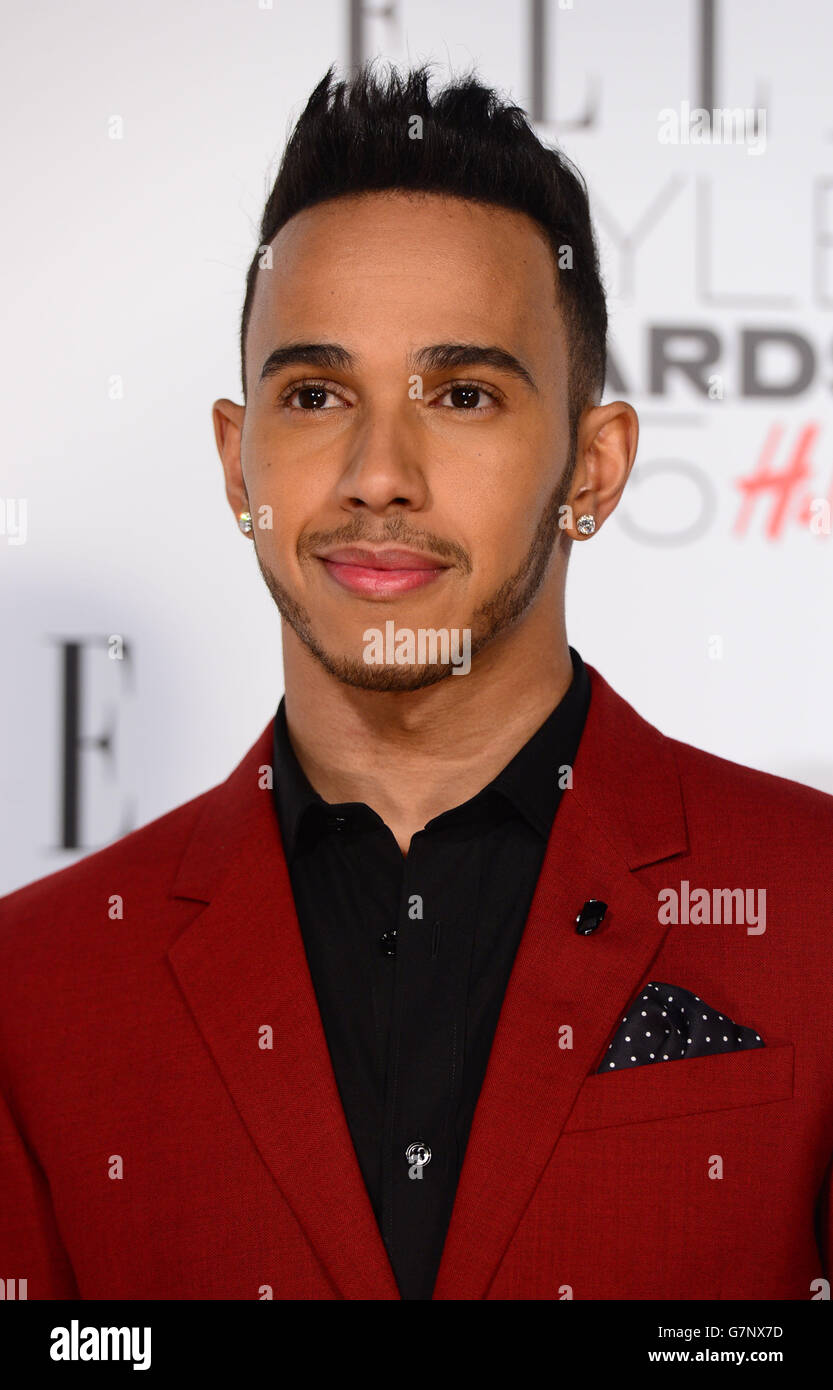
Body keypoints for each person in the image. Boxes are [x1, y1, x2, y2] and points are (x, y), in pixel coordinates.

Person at [2, 62, 832, 1302]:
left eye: (461, 394)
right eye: (317, 393)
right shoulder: (39, 982)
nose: (377, 472)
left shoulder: (811, 907)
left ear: (591, 469)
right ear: (240, 464)